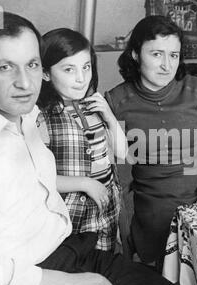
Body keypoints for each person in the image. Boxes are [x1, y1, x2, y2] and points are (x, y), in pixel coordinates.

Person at [0, 12, 194, 285]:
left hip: (71, 245)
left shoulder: (25, 115)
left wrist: (106, 116)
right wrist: (60, 284)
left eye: (31, 65)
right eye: (5, 67)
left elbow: (123, 155)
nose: (25, 83)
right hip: (28, 275)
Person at [105, 15, 197, 269]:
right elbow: (116, 170)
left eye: (174, 55)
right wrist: (121, 220)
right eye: (156, 54)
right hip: (155, 207)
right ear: (135, 55)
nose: (167, 65)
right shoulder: (117, 102)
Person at [36, 28, 127, 252]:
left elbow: (123, 153)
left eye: (86, 67)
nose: (81, 78)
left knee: (106, 265)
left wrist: (109, 116)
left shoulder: (96, 107)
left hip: (106, 205)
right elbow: (37, 178)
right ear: (46, 74)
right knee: (78, 266)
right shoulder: (41, 119)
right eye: (69, 69)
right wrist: (85, 184)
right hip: (71, 213)